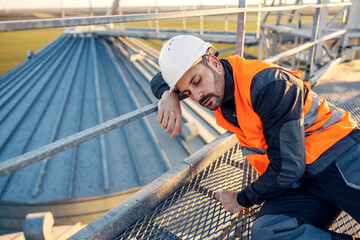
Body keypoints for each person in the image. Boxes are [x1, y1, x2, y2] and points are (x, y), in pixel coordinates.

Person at [150, 35, 360, 240]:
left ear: (214, 62)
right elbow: (158, 78)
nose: (197, 97)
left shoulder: (269, 86)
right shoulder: (213, 85)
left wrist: (241, 199)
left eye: (197, 82)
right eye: (187, 91)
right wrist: (168, 94)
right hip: (300, 181)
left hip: (340, 158)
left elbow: (287, 167)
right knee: (269, 231)